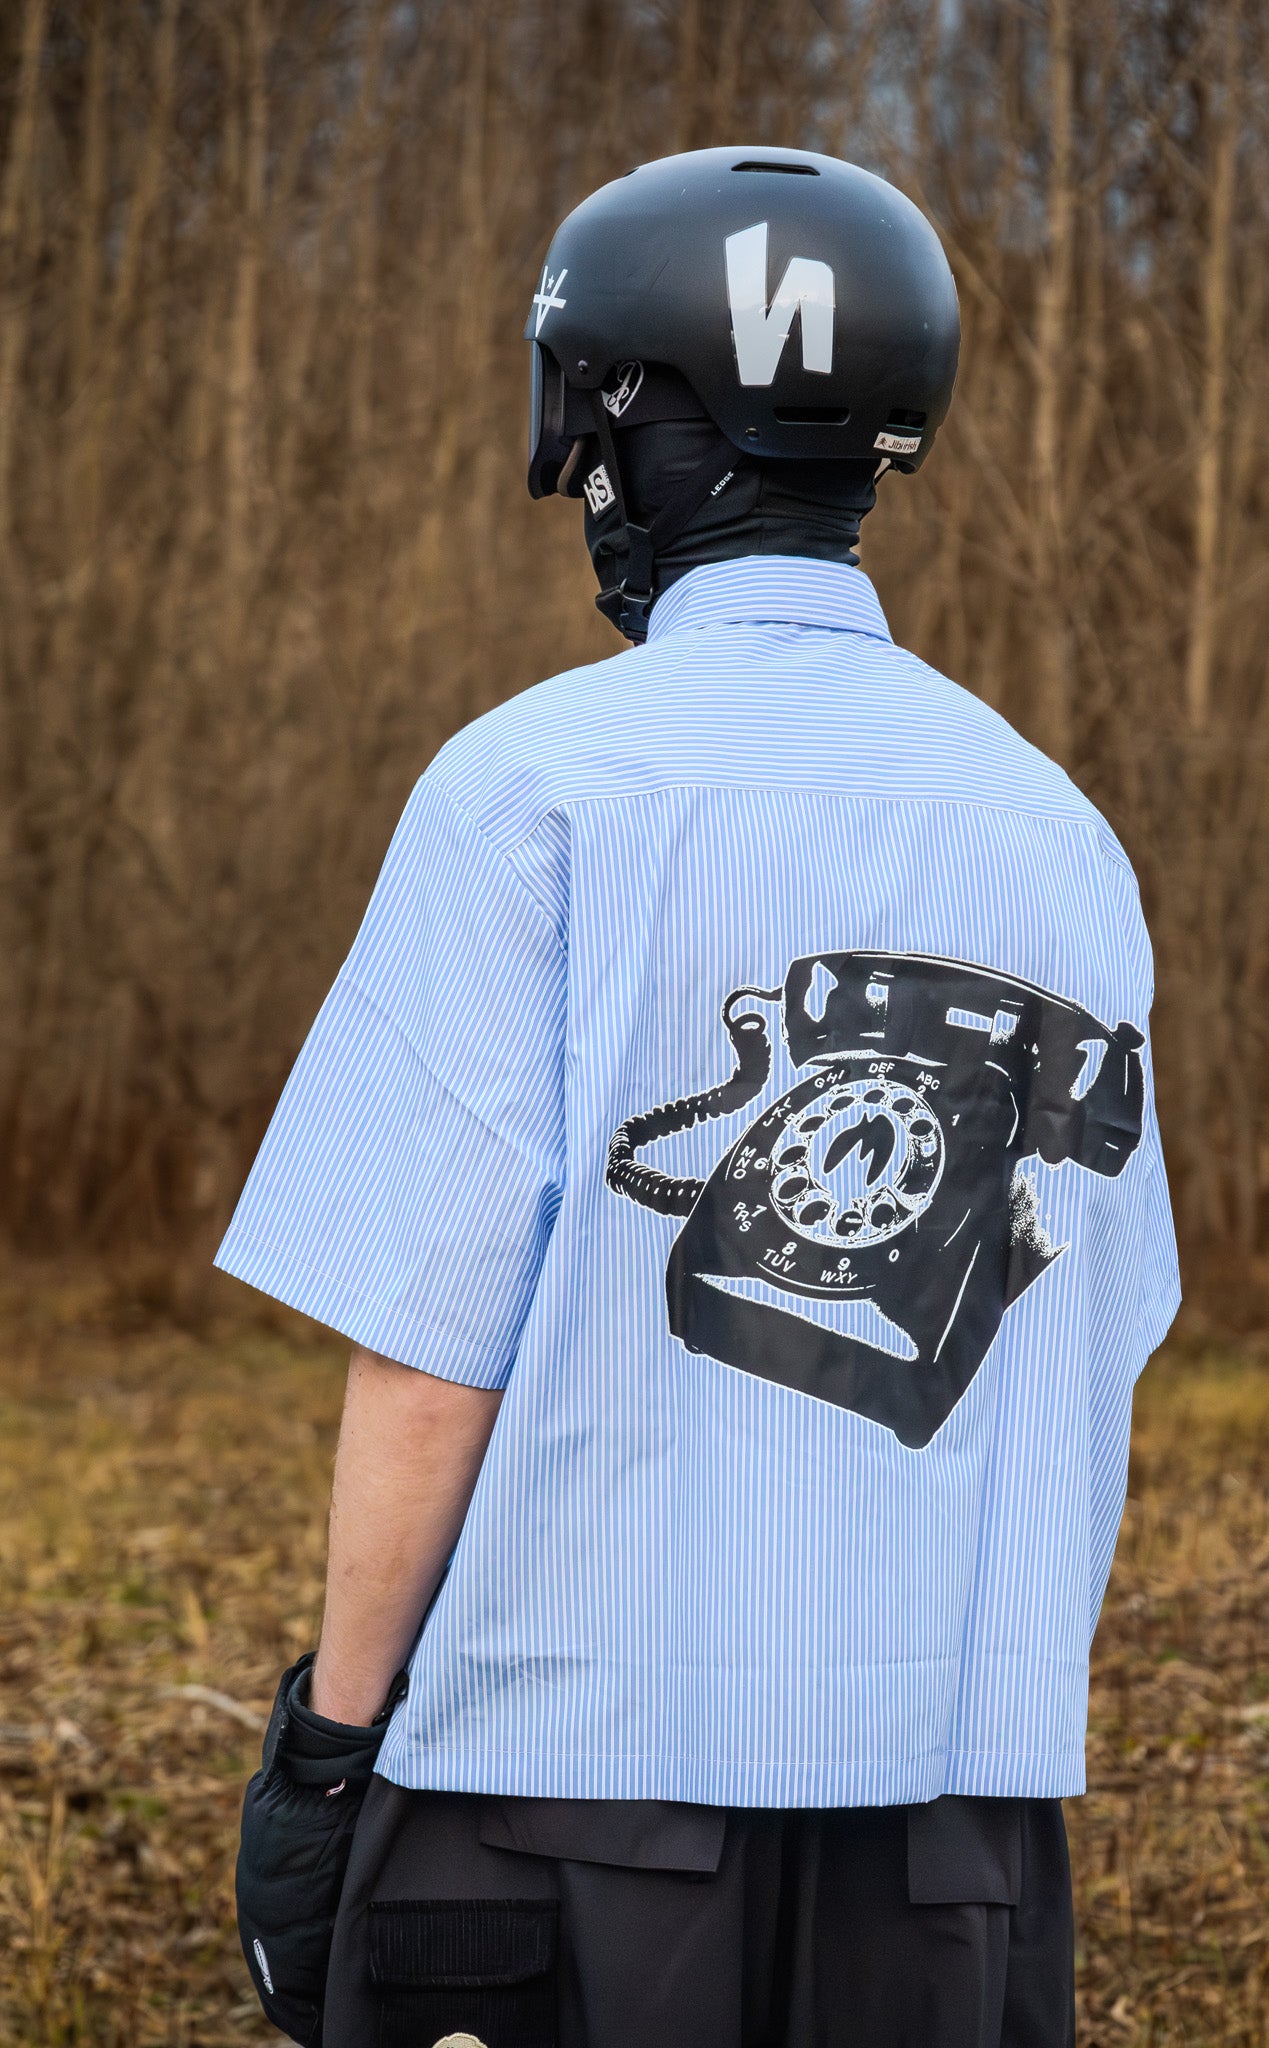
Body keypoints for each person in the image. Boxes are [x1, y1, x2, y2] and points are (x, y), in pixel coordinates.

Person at [220, 144, 1179, 2048]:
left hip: (555, 1788)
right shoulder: (1058, 830)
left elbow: (430, 1353)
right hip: (948, 1827)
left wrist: (330, 1743)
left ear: (627, 437)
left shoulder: (529, 786)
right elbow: (1104, 1329)